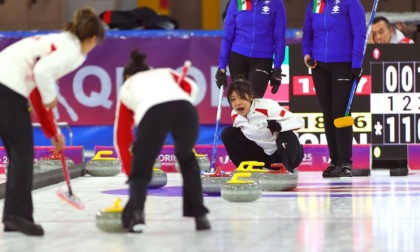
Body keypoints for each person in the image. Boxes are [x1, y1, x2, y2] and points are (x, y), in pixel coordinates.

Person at [0, 8, 104, 236]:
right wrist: (52, 98)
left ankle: (13, 216)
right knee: (23, 155)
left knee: (19, 154)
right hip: (7, 87)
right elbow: (42, 73)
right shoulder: (73, 51)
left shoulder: (60, 41)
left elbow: (37, 88)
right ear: (93, 38)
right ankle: (17, 216)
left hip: (8, 85)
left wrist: (52, 131)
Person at [114, 50, 210, 233]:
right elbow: (192, 87)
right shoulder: (166, 72)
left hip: (152, 115)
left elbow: (122, 134)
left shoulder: (127, 85)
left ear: (127, 75)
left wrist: (131, 171)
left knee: (141, 169)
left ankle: (137, 215)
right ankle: (200, 217)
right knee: (187, 159)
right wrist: (180, 104)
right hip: (185, 109)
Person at [302, 0, 366, 177]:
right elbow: (307, 32)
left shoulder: (351, 3)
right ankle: (335, 161)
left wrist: (356, 63)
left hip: (343, 64)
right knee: (328, 114)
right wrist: (306, 53)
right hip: (319, 66)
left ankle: (345, 162)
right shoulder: (315, 3)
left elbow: (360, 33)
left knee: (341, 114)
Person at [221, 75, 304, 173]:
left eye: (242, 97)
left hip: (281, 154)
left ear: (251, 97)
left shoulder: (267, 107)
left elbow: (299, 121)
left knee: (287, 134)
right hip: (262, 157)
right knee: (228, 133)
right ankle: (248, 171)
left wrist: (280, 126)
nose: (237, 103)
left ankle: (288, 169)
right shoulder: (235, 114)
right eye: (233, 99)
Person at [216, 0, 287, 98]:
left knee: (254, 101)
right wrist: (222, 67)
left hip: (262, 58)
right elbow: (227, 36)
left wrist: (277, 68)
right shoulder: (237, 2)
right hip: (238, 56)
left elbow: (280, 38)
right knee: (240, 101)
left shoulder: (276, 3)